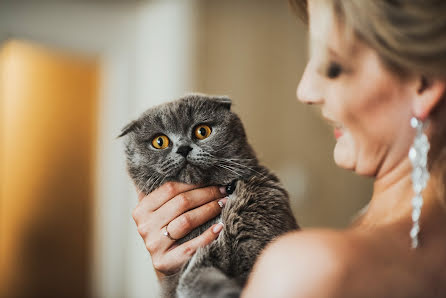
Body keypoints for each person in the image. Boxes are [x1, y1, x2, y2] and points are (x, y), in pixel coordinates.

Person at [131, 0, 446, 296]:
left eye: (332, 65)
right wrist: (187, 268)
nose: (305, 90)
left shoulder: (308, 269)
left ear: (424, 83)